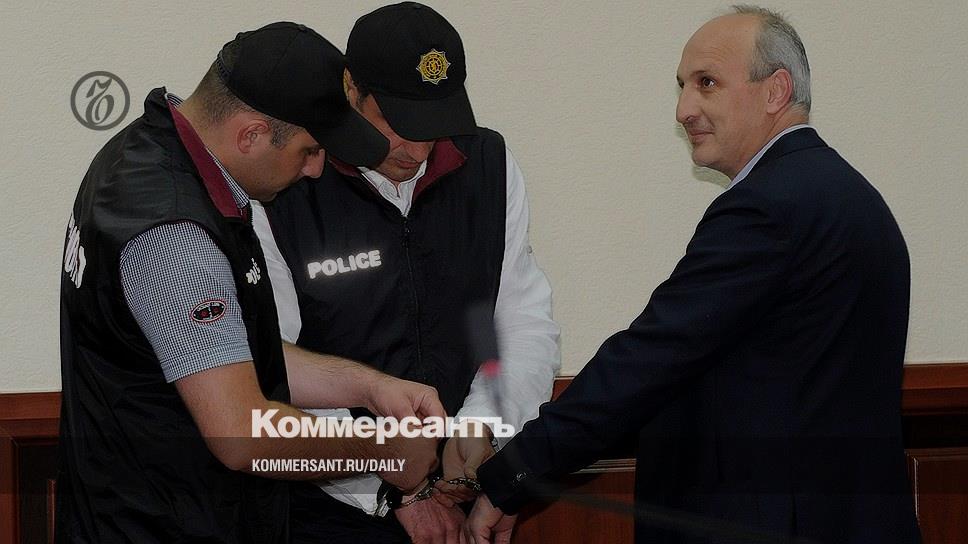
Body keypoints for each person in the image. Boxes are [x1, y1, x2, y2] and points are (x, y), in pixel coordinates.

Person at [464, 6, 922, 544]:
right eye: (682, 86)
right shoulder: (850, 195)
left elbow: (649, 359)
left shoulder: (766, 208)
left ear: (776, 91)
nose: (684, 109)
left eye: (707, 83)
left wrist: (513, 473)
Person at [57, 22, 444, 543]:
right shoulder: (174, 233)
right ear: (252, 135)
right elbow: (241, 435)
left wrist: (369, 387)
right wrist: (380, 452)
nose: (316, 170)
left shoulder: (146, 149)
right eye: (309, 149)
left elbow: (225, 356)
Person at [253, 3, 560, 543]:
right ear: (351, 89)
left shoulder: (489, 162)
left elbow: (518, 318)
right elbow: (269, 361)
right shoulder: (287, 183)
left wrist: (484, 422)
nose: (417, 149)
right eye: (397, 123)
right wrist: (393, 486)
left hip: (465, 494)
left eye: (434, 124)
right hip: (329, 507)